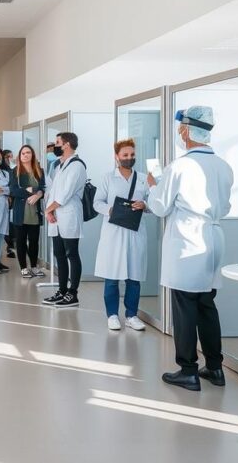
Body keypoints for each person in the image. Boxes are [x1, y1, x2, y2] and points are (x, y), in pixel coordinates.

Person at [147, 105, 234, 391]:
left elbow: (159, 207)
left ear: (186, 130)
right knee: (207, 304)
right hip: (213, 237)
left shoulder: (179, 166)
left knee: (184, 307)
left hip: (188, 240)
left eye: (180, 128)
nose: (179, 133)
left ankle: (188, 370)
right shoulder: (223, 166)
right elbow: (226, 206)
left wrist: (153, 186)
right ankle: (215, 368)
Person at [93, 138, 150, 331]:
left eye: (132, 155)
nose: (129, 158)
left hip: (135, 232)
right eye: (125, 155)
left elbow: (153, 203)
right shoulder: (108, 178)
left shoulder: (143, 179)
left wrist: (145, 205)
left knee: (134, 277)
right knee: (112, 276)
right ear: (117, 156)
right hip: (114, 233)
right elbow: (97, 202)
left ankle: (131, 315)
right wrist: (111, 210)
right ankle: (112, 315)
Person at [41, 132, 87, 308]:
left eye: (57, 142)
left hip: (69, 215)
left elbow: (65, 194)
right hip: (56, 216)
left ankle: (72, 293)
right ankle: (62, 291)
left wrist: (48, 210)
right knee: (59, 254)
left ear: (67, 144)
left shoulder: (77, 166)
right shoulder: (60, 166)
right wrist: (50, 211)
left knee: (71, 254)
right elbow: (53, 192)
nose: (55, 146)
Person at [10, 145, 46, 278]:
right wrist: (28, 191)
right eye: (23, 153)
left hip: (34, 212)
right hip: (21, 212)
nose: (25, 155)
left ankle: (34, 267)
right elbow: (13, 191)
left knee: (34, 241)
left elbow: (43, 188)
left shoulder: (39, 171)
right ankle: (24, 268)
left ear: (32, 155)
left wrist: (39, 194)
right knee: (21, 241)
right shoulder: (15, 171)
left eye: (28, 152)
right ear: (19, 156)